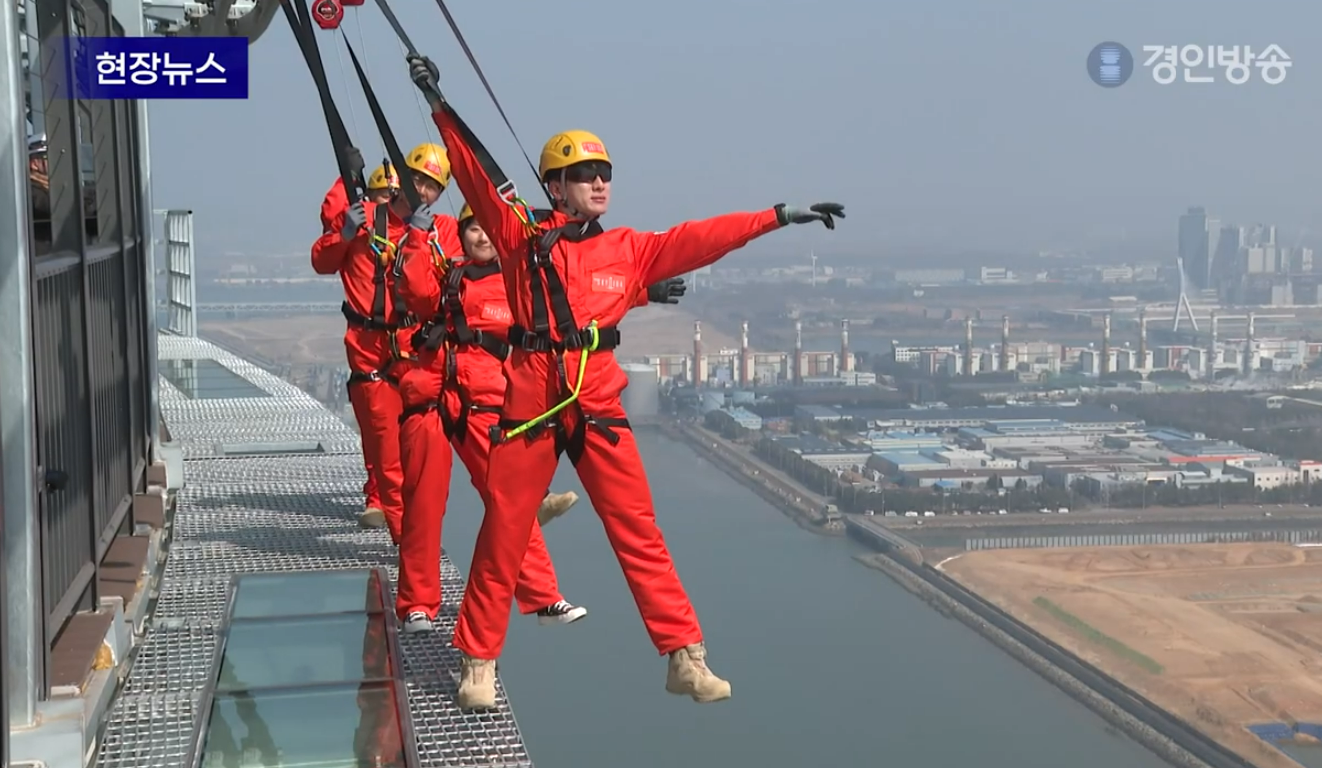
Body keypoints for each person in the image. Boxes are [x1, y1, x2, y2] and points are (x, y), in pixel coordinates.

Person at [405, 54, 844, 708]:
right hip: (532, 396)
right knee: (504, 527)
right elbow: (475, 170)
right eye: (584, 174)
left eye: (604, 172)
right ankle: (478, 664)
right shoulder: (522, 236)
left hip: (597, 398)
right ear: (555, 186)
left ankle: (684, 656)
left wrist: (776, 216)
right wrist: (438, 103)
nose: (599, 182)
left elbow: (699, 239)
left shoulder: (628, 251)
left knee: (637, 528)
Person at [392, 203, 588, 633]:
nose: (481, 237)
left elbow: (573, 292)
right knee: (423, 502)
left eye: (488, 229)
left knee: (509, 503)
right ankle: (416, 604)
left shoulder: (521, 282)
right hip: (435, 397)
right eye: (473, 229)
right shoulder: (450, 276)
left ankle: (542, 595)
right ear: (460, 235)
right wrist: (417, 239)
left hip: (484, 404)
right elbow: (415, 291)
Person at [310, 142, 454, 540]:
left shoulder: (442, 232)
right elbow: (322, 261)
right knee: (387, 456)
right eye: (419, 179)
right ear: (401, 177)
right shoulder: (364, 219)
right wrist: (344, 234)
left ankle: (419, 536)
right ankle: (404, 538)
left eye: (433, 186)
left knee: (424, 455)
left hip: (416, 351)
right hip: (370, 351)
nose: (423, 190)